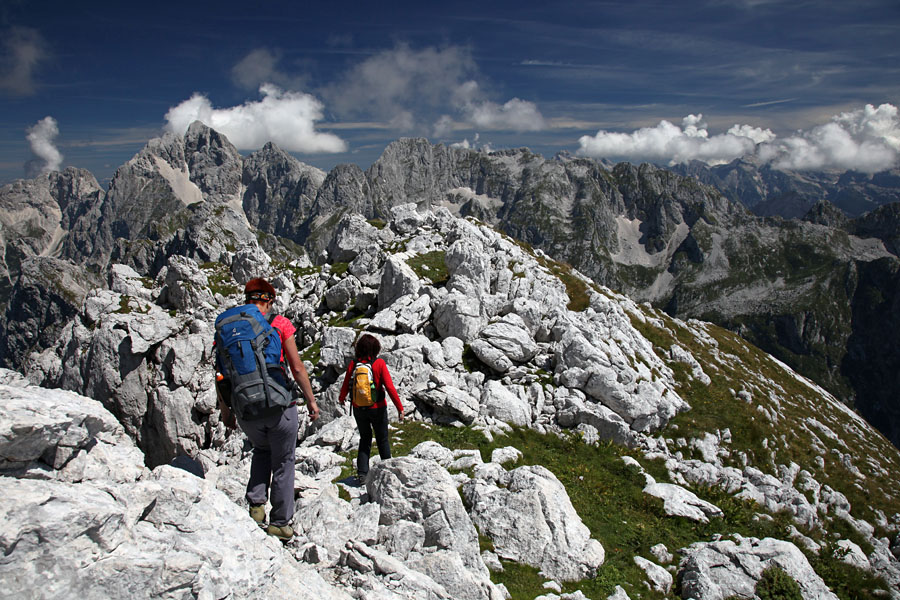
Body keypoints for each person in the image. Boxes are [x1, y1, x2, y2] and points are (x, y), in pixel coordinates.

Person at [216, 277, 319, 542]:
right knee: (284, 461)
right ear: (270, 300)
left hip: (246, 411)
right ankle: (280, 523)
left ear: (247, 299)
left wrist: (227, 413)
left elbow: (221, 376)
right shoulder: (280, 324)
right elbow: (296, 368)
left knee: (261, 450)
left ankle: (256, 508)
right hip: (280, 407)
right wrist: (311, 400)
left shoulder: (229, 330)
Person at [338, 333, 404, 484]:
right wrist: (400, 408)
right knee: (382, 439)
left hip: (358, 408)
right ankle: (388, 470)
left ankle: (362, 474)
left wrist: (342, 399)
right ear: (375, 349)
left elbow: (346, 384)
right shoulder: (379, 363)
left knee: (365, 438)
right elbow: (389, 387)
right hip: (377, 408)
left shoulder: (354, 364)